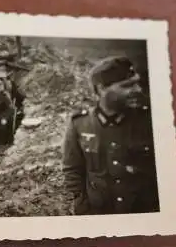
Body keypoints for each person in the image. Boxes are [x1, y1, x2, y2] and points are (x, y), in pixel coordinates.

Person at [61, 55, 160, 215]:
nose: (137, 90)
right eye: (127, 86)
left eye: (136, 83)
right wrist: (82, 205)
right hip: (98, 212)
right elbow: (72, 170)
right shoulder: (80, 123)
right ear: (101, 89)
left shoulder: (149, 121)